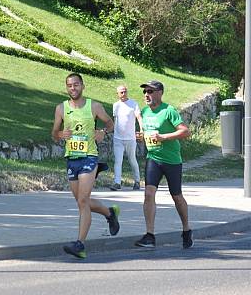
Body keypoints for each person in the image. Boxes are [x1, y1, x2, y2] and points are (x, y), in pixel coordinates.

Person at [52, 73, 120, 259]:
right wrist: (60, 135)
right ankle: (110, 213)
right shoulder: (61, 108)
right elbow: (54, 133)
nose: (72, 88)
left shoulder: (94, 106)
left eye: (76, 85)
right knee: (82, 202)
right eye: (69, 86)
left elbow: (110, 123)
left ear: (82, 86)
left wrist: (103, 132)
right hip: (72, 158)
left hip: (89, 157)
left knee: (83, 201)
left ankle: (80, 244)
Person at [134, 80, 194, 249]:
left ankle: (186, 229)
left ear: (160, 92)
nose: (147, 94)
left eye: (150, 91)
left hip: (172, 160)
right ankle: (150, 235)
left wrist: (164, 137)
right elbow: (147, 133)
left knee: (176, 196)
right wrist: (142, 137)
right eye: (145, 91)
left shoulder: (169, 111)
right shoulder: (145, 112)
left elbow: (185, 131)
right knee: (148, 193)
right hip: (153, 158)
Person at [110, 85, 143, 191]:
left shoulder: (133, 104)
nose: (123, 94)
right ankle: (117, 182)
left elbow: (138, 117)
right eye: (121, 92)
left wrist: (142, 129)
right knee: (118, 161)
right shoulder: (116, 105)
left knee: (132, 159)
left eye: (125, 92)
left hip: (130, 138)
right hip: (118, 138)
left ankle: (137, 181)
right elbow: (116, 120)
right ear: (118, 94)